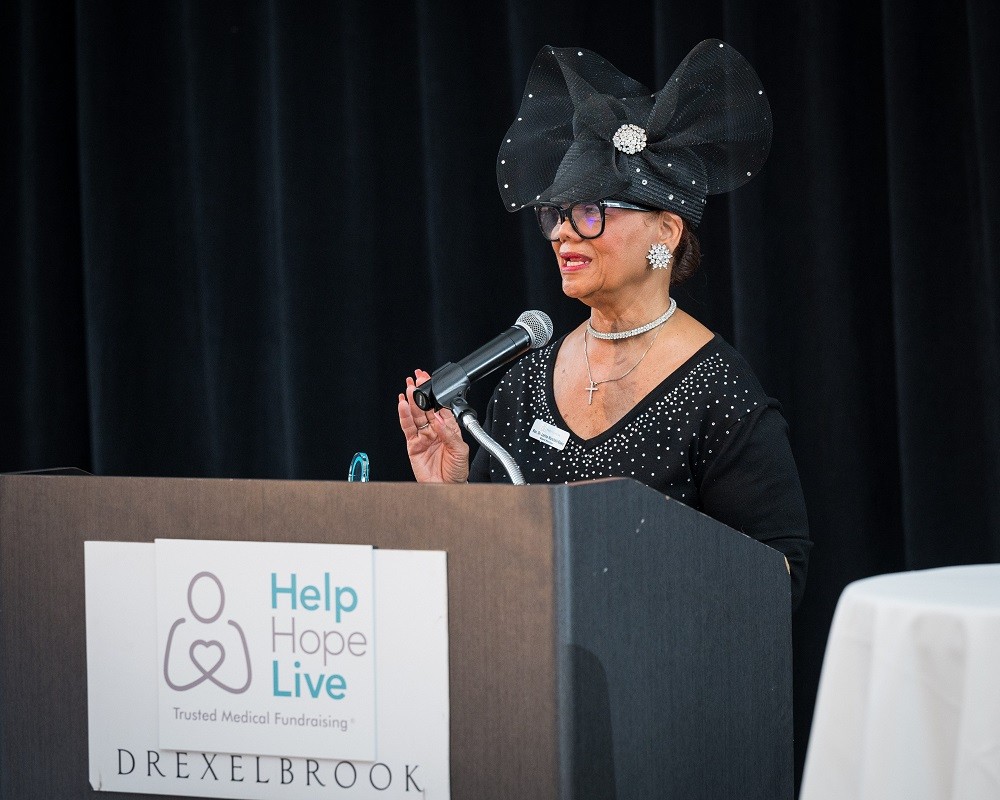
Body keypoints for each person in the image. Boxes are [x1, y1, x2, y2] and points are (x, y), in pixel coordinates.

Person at [398, 40, 811, 608]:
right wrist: (451, 498)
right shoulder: (523, 386)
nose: (564, 233)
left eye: (590, 213)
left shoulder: (720, 394)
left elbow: (781, 576)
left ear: (665, 231)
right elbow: (492, 574)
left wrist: (633, 537)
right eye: (556, 214)